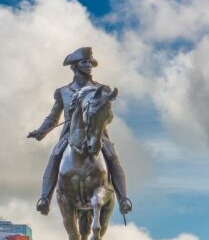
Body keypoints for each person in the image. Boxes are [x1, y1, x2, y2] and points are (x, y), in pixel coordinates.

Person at [28, 47, 132, 216]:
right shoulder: (63, 92)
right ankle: (44, 199)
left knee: (112, 157)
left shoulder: (103, 89)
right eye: (85, 62)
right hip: (71, 135)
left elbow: (108, 116)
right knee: (54, 157)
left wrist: (100, 120)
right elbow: (53, 117)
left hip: (97, 134)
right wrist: (41, 131)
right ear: (75, 66)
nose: (89, 65)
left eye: (90, 63)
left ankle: (123, 199)